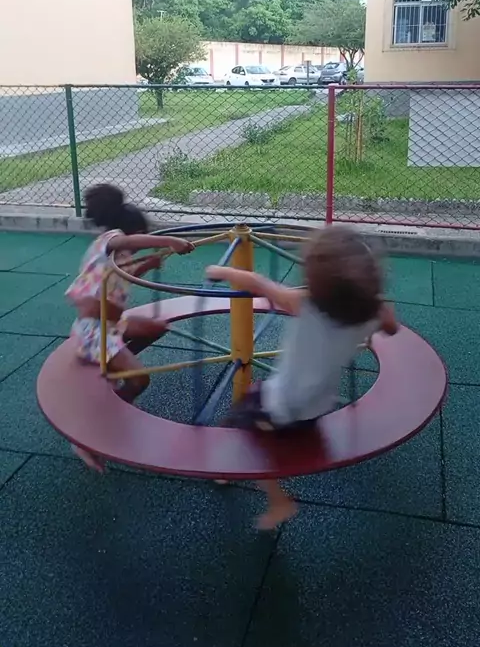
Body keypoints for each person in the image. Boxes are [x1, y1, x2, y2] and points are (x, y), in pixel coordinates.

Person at [207, 225, 398, 531]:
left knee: (238, 430)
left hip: (280, 405)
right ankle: (241, 464)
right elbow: (391, 328)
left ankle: (278, 500)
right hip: (318, 406)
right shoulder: (370, 313)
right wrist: (378, 305)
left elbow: (258, 283)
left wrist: (220, 270)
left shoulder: (304, 304)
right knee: (268, 426)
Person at [66, 183, 194, 471]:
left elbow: (127, 270)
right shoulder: (108, 241)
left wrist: (148, 264)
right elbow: (124, 242)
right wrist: (169, 241)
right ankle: (90, 433)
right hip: (94, 330)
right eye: (141, 236)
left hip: (112, 325)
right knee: (140, 380)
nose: (141, 242)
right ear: (129, 232)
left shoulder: (118, 258)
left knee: (156, 327)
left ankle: (114, 364)